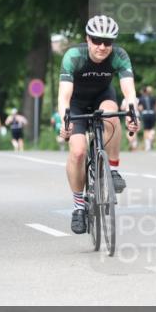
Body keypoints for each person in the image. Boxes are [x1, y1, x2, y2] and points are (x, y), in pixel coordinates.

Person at [57, 15, 139, 234]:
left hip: (102, 97)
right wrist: (64, 121)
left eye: (108, 42)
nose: (102, 46)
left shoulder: (119, 56)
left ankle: (112, 171)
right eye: (96, 40)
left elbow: (129, 92)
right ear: (88, 38)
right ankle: (78, 207)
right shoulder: (74, 56)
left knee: (112, 115)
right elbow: (64, 96)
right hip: (76, 103)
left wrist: (133, 114)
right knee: (78, 152)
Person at [137, 86, 156, 151]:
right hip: (152, 114)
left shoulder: (141, 99)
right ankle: (151, 139)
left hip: (145, 114)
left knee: (146, 130)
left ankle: (148, 145)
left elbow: (140, 108)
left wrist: (140, 113)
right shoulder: (153, 98)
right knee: (152, 128)